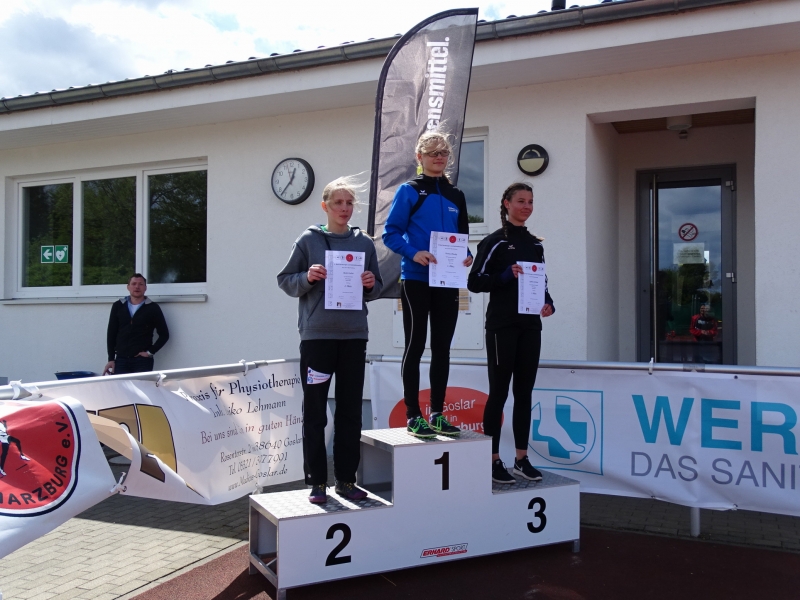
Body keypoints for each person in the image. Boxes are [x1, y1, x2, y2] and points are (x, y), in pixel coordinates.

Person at [277, 176, 383, 504]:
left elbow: (377, 287)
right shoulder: (309, 240)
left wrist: (370, 283)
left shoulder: (364, 243)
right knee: (315, 413)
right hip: (318, 338)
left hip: (353, 337)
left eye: (349, 203)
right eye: (338, 203)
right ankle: (317, 482)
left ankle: (347, 480)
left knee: (350, 412)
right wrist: (307, 277)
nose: (344, 208)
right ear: (325, 206)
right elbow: (285, 280)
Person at [383, 130, 473, 438]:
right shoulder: (410, 190)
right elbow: (390, 233)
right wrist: (414, 252)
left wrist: (467, 255)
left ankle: (437, 414)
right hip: (417, 279)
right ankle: (413, 415)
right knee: (416, 345)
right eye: (432, 152)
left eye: (443, 153)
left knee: (442, 349)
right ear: (419, 157)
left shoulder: (456, 195)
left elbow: (462, 239)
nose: (439, 157)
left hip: (448, 281)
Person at [468, 183, 555, 484]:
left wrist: (548, 302)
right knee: (499, 392)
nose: (526, 206)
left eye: (530, 201)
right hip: (502, 326)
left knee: (524, 393)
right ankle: (493, 460)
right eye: (520, 201)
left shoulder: (535, 245)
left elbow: (542, 282)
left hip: (530, 326)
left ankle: (521, 459)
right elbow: (474, 281)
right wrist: (505, 275)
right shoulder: (495, 241)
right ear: (507, 204)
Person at [103, 274, 170, 375]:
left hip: (142, 361)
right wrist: (111, 359)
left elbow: (164, 334)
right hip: (121, 360)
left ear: (145, 288)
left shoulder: (152, 308)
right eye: (134, 284)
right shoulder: (118, 306)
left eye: (140, 284)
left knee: (141, 385)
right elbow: (111, 333)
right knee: (121, 386)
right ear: (128, 287)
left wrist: (150, 352)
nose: (137, 287)